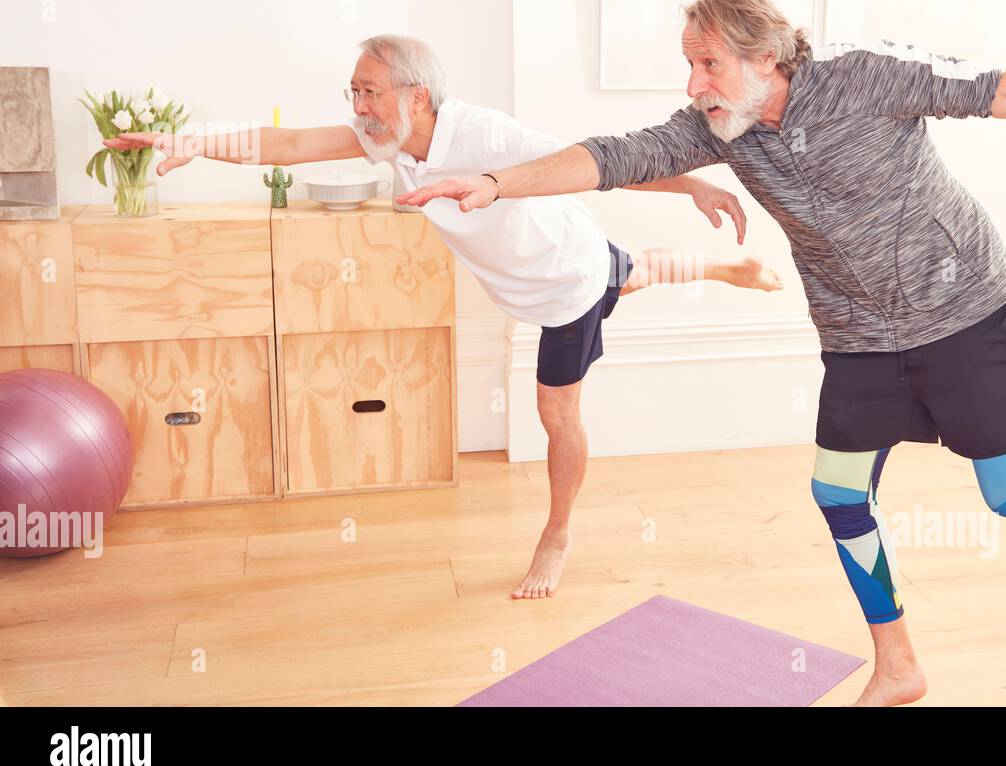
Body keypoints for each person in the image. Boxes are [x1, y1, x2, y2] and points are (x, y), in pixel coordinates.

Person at [393, 0, 1006, 706]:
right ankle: (898, 663)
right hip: (858, 333)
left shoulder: (867, 79)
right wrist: (495, 183)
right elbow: (610, 155)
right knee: (838, 491)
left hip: (962, 305)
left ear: (765, 58)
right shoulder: (712, 128)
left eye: (707, 63)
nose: (694, 82)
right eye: (687, 65)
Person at [103, 33, 782, 601]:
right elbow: (286, 145)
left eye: (370, 91)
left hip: (561, 288)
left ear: (415, 96)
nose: (359, 105)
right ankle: (728, 270)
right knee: (627, 273)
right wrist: (188, 141)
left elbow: (591, 162)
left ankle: (557, 533)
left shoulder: (485, 136)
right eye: (355, 92)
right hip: (551, 269)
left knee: (557, 412)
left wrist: (688, 179)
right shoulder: (386, 140)